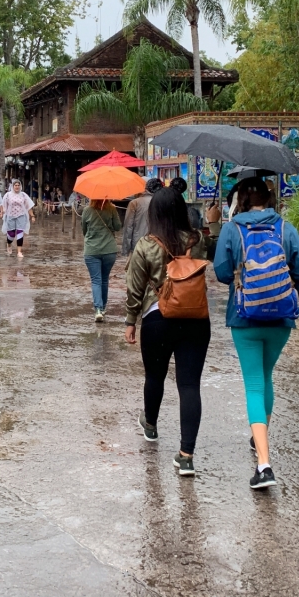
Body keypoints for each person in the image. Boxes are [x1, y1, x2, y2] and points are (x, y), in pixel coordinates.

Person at [213, 177, 299, 490]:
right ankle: (260, 437)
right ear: (268, 198)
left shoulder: (232, 228)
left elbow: (221, 272)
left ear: (240, 199)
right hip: (281, 318)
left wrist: (242, 274)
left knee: (254, 384)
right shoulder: (285, 228)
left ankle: (264, 465)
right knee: (266, 377)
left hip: (245, 317)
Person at [125, 187, 211, 477]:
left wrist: (129, 321)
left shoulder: (146, 246)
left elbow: (135, 289)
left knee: (155, 376)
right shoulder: (197, 241)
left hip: (157, 319)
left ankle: (150, 424)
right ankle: (186, 455)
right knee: (189, 386)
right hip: (197, 319)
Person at [82, 197, 122, 322]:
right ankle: (103, 308)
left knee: (96, 280)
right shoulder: (112, 209)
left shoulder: (87, 210)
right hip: (109, 249)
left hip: (92, 250)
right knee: (104, 280)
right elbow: (118, 227)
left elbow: (84, 229)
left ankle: (98, 309)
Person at [122, 177, 164, 256]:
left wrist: (126, 249)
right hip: (158, 242)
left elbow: (128, 227)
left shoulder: (135, 203)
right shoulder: (162, 202)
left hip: (138, 243)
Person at [2, 180, 35, 258]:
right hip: (10, 216)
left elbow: (28, 206)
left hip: (21, 216)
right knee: (11, 234)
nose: (17, 187)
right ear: (13, 186)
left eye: (18, 185)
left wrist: (32, 216)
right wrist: (2, 213)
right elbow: (3, 206)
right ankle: (9, 243)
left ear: (20, 186)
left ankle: (19, 251)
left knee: (20, 233)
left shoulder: (23, 195)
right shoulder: (8, 195)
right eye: (15, 185)